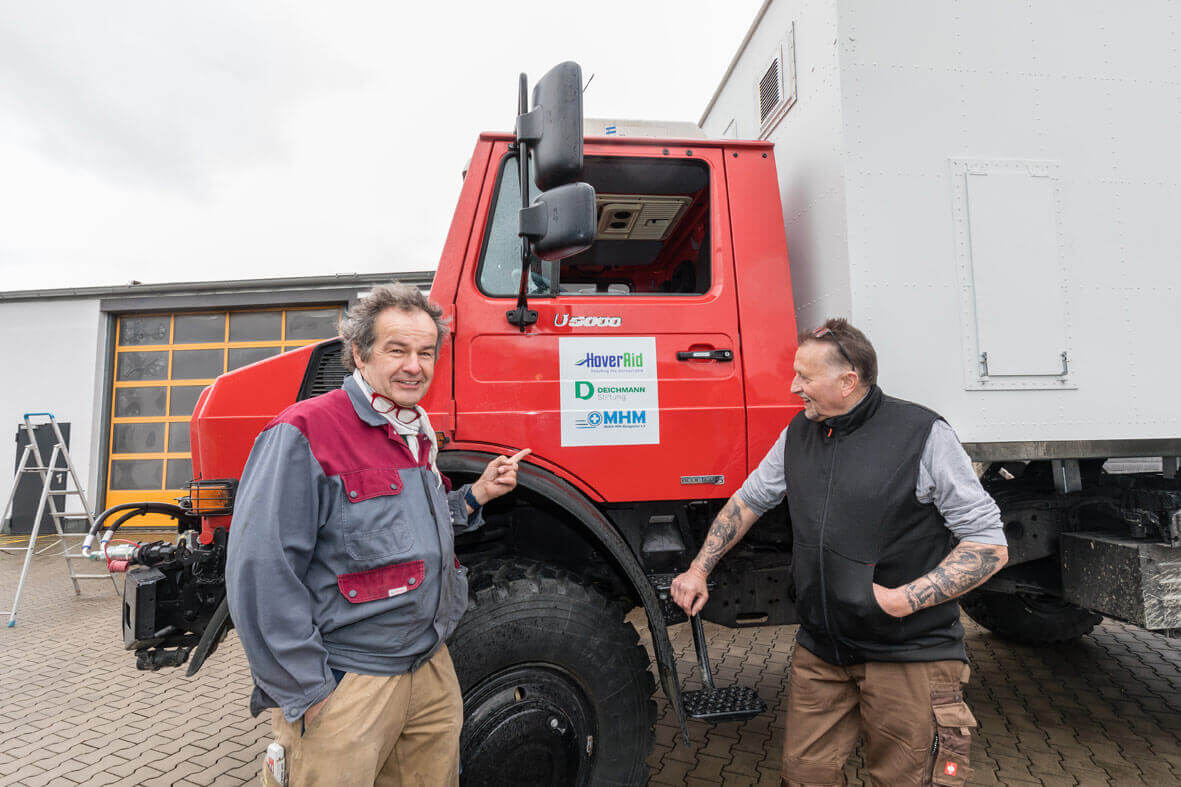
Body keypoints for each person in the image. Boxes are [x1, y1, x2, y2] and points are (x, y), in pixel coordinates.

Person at [670, 318, 1007, 786]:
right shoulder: (800, 433)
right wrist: (698, 569)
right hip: (822, 653)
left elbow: (988, 544)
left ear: (848, 381)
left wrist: (901, 600)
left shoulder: (922, 434)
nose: (793, 387)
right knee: (803, 776)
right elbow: (749, 501)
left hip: (907, 656)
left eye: (804, 377)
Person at [226, 283, 529, 786]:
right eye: (397, 350)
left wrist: (476, 495)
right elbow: (261, 573)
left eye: (425, 353)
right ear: (360, 354)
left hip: (429, 667)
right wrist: (309, 690)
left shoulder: (414, 432)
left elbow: (404, 528)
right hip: (351, 675)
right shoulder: (306, 432)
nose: (414, 366)